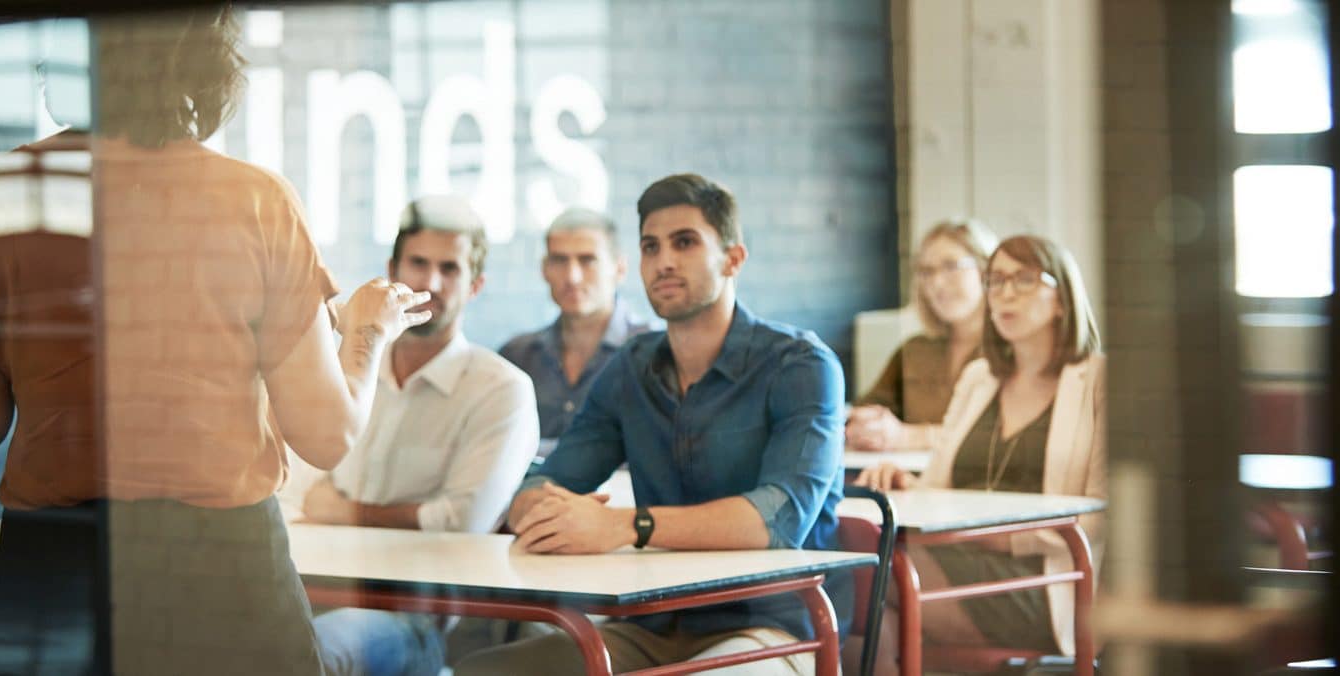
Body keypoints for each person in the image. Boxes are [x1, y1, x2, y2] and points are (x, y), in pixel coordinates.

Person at [0, 7, 428, 674]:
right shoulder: (254, 201)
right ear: (206, 66)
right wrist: (367, 332)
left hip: (54, 565)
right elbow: (326, 435)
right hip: (222, 570)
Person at [454, 173, 851, 676]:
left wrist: (622, 526)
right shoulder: (631, 367)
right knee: (483, 672)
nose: (664, 260)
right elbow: (540, 484)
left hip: (774, 627)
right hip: (652, 624)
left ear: (733, 258)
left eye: (685, 243)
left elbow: (777, 521)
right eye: (650, 246)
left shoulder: (802, 365)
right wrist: (547, 511)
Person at [292, 196, 540, 676]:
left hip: (419, 622)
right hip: (314, 590)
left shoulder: (502, 390)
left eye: (450, 269)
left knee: (313, 648)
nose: (431, 283)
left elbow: (461, 521)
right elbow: (298, 489)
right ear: (392, 269)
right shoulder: (348, 369)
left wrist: (347, 512)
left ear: (476, 286)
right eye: (419, 264)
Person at [854, 235, 1105, 671]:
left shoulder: (1097, 379)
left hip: (1049, 581)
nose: (1005, 293)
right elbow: (940, 486)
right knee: (865, 571)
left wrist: (993, 535)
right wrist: (907, 484)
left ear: (1062, 298)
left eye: (1024, 280)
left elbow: (1100, 517)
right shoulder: (979, 377)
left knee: (869, 580)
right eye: (996, 280)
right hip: (958, 559)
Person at [499, 207, 657, 445]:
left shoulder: (657, 353)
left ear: (620, 268)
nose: (572, 276)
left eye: (587, 260)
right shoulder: (516, 357)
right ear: (544, 269)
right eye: (559, 260)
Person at [847, 220, 997, 451]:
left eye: (951, 266)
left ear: (985, 271)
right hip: (905, 477)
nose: (936, 283)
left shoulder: (1010, 352)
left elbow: (1003, 440)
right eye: (926, 272)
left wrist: (910, 437)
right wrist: (864, 425)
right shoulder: (914, 351)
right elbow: (865, 410)